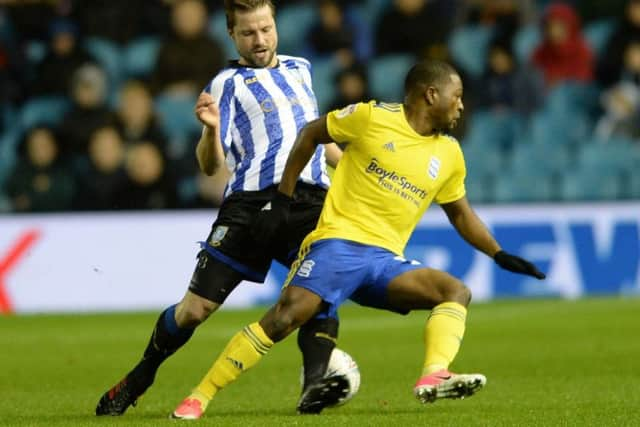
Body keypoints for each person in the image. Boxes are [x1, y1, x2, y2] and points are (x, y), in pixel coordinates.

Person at [170, 59, 545, 420]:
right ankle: (197, 398)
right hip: (336, 245)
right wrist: (283, 199)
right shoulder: (371, 117)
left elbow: (460, 213)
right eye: (457, 95)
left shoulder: (449, 154)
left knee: (454, 291)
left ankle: (434, 373)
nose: (462, 105)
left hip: (384, 261)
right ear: (431, 94)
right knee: (284, 318)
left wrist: (498, 253)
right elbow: (310, 134)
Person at [95, 0, 343, 416]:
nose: (259, 39)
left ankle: (314, 387)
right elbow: (211, 165)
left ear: (275, 24)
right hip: (250, 206)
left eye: (265, 28)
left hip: (309, 201)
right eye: (249, 32)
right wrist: (210, 132)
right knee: (194, 311)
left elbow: (316, 137)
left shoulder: (301, 69)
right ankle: (141, 375)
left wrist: (356, 168)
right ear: (232, 34)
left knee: (319, 290)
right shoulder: (226, 84)